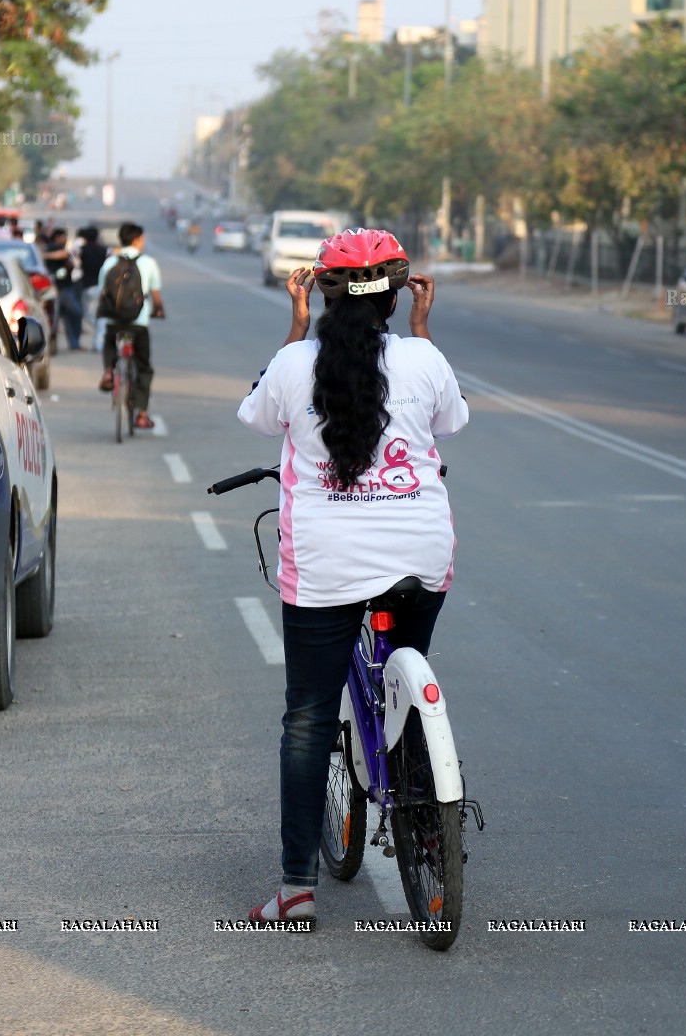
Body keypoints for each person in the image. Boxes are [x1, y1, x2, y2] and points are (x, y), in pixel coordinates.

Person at [237, 228, 468, 927]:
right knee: (409, 657)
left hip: (326, 565)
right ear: (398, 296)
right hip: (420, 559)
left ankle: (295, 890)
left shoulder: (292, 363)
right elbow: (449, 422)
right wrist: (424, 333)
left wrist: (295, 324)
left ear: (322, 293)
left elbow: (257, 415)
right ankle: (419, 785)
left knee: (308, 717)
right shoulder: (425, 359)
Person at [96, 222, 164, 429]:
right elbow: (155, 294)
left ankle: (109, 370)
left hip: (114, 320)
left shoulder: (109, 263)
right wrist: (158, 309)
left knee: (109, 343)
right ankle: (142, 414)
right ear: (137, 240)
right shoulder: (148, 262)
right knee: (143, 366)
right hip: (138, 322)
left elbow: (102, 292)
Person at [43, 227, 83, 351]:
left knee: (69, 318)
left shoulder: (60, 251)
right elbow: (62, 254)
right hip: (59, 289)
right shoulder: (52, 248)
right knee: (74, 314)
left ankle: (74, 344)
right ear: (57, 238)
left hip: (65, 287)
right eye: (63, 236)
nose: (65, 239)